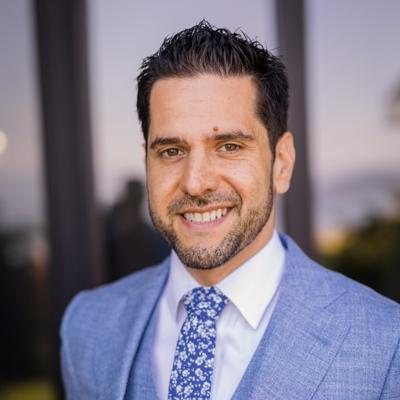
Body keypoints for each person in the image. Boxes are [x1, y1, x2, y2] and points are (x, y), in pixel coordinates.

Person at [60, 21, 400, 400]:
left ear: (282, 163)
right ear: (147, 163)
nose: (195, 182)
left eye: (229, 147)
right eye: (171, 151)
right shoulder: (86, 327)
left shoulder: (386, 343)